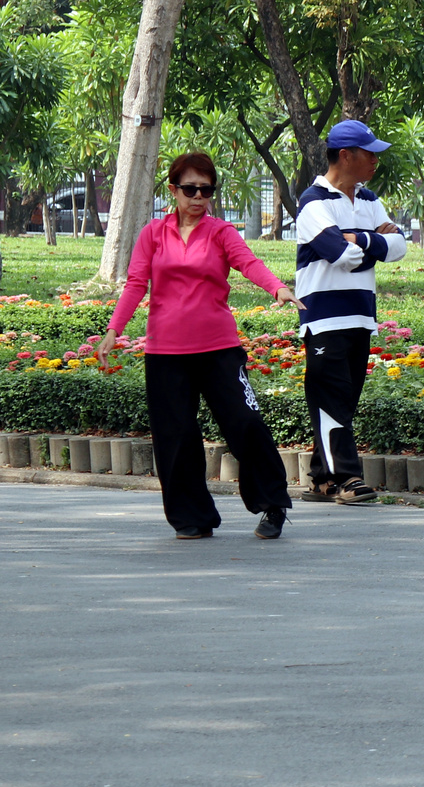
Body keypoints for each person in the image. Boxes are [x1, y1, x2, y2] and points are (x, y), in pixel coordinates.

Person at [98, 152, 301, 540]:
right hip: (165, 353)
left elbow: (249, 263)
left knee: (245, 423)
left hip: (218, 348)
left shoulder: (221, 232)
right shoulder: (153, 234)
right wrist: (114, 330)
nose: (198, 196)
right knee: (175, 437)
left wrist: (277, 287)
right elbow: (136, 284)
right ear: (173, 190)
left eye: (206, 190)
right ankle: (192, 517)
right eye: (190, 189)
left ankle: (273, 503)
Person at [295, 120, 408, 504]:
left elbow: (400, 246)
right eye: (370, 153)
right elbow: (340, 255)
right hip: (324, 318)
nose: (376, 160)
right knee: (332, 397)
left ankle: (321, 478)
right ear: (346, 156)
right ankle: (347, 479)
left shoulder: (370, 198)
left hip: (360, 315)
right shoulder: (313, 203)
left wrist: (358, 238)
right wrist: (374, 242)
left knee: (342, 400)